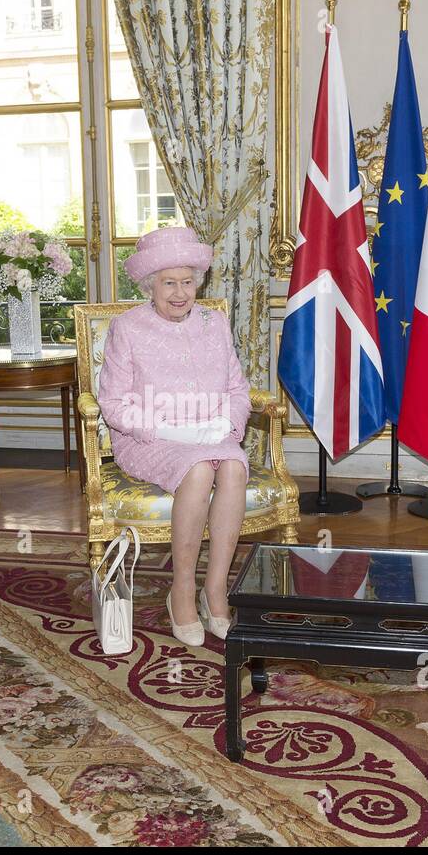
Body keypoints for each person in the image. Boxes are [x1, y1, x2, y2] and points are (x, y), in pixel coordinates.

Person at [97, 226, 251, 647]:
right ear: (151, 285)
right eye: (169, 283)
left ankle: (215, 590)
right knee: (200, 470)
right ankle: (181, 590)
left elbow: (237, 390)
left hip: (209, 431)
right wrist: (169, 428)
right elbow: (113, 403)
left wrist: (227, 425)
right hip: (150, 437)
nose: (180, 293)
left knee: (234, 466)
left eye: (187, 282)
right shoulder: (128, 328)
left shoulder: (214, 322)